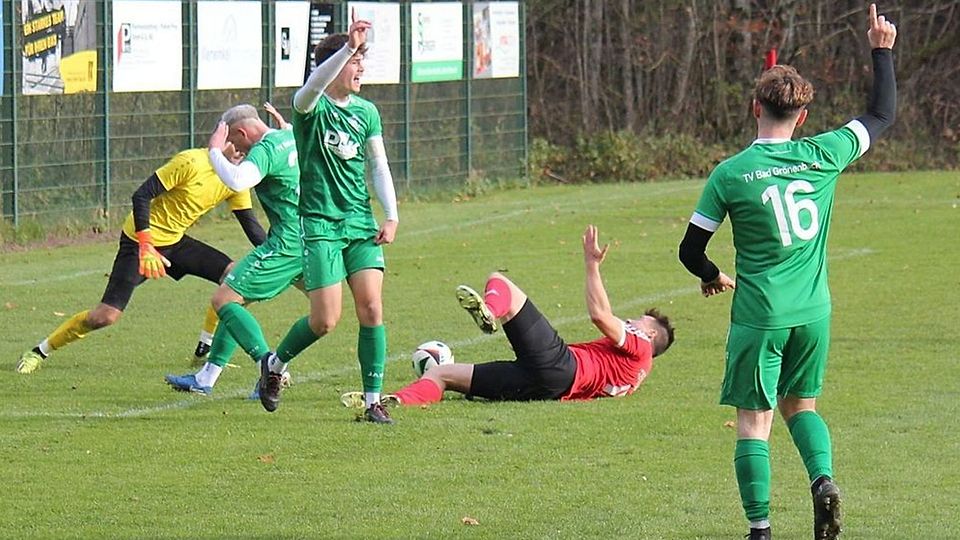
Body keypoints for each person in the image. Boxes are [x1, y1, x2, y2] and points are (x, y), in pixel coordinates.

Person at [677, 5, 897, 539]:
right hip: (813, 311)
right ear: (801, 117)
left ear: (754, 107)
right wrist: (881, 49)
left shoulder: (730, 174)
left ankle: (760, 529)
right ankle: (822, 480)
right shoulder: (824, 153)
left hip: (761, 315)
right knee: (803, 406)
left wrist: (709, 273)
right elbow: (882, 114)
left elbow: (690, 250)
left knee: (754, 423)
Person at [343, 226, 674, 408]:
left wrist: (591, 265)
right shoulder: (635, 376)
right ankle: (393, 400)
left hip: (561, 366)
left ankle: (492, 309)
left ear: (650, 336)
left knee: (499, 282)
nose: (629, 323)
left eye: (637, 323)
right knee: (443, 375)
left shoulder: (641, 347)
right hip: (548, 388)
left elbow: (601, 314)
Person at [256, 14, 400, 424]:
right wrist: (346, 49)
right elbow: (311, 87)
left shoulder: (367, 112)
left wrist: (391, 215)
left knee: (372, 307)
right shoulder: (310, 107)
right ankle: (275, 365)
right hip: (318, 224)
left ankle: (373, 401)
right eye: (356, 61)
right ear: (337, 63)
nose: (361, 68)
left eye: (361, 60)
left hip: (358, 221)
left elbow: (378, 166)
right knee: (325, 321)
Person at [16, 144, 267, 374]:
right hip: (138, 241)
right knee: (105, 316)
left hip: (176, 242)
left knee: (236, 280)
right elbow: (140, 196)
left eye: (248, 148)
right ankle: (39, 351)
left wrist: (278, 256)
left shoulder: (235, 179)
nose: (243, 152)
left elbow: (251, 226)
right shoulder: (192, 161)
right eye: (239, 143)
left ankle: (204, 349)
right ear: (226, 137)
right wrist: (146, 245)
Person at [164, 103, 302, 395]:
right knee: (331, 314)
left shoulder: (265, 150)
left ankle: (269, 365)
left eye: (233, 143)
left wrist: (215, 151)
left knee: (224, 299)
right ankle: (207, 378)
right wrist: (286, 127)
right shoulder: (290, 136)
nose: (236, 152)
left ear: (241, 132)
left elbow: (238, 179)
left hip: (288, 243)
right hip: (314, 241)